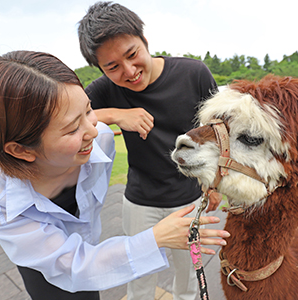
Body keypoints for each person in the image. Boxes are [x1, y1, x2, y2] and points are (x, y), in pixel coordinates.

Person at [0, 50, 229, 300]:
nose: (92, 131)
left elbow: (92, 265)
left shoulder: (100, 143)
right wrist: (156, 238)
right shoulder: (0, 204)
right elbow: (73, 265)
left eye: (89, 111)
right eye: (72, 129)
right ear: (21, 149)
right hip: (47, 260)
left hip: (92, 250)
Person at [78, 2, 223, 300]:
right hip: (140, 202)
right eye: (112, 67)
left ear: (144, 40)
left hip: (190, 198)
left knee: (190, 278)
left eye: (132, 54)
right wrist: (118, 114)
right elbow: (70, 116)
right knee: (139, 281)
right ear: (101, 68)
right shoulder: (105, 89)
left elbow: (219, 131)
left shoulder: (194, 73)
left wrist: (216, 183)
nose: (129, 71)